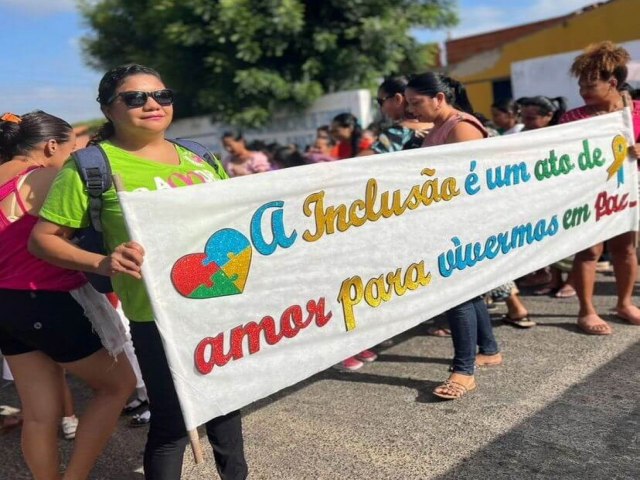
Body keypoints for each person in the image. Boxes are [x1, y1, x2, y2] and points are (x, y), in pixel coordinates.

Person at [29, 64, 248, 480]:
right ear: (108, 109)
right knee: (171, 425)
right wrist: (102, 262)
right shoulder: (90, 167)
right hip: (156, 316)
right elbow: (42, 240)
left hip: (221, 305)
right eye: (135, 98)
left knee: (227, 407)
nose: (152, 104)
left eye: (162, 95)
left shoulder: (199, 156)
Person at [0, 110, 136, 480]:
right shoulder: (49, 178)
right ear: (50, 146)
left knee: (40, 414)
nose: (71, 158)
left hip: (7, 305)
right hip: (49, 298)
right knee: (118, 386)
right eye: (70, 150)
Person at [404, 72, 501, 400]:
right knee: (469, 290)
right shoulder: (439, 128)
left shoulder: (462, 127)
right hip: (449, 222)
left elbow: (467, 182)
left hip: (463, 223)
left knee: (457, 292)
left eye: (417, 103)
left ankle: (464, 370)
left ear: (439, 98)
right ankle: (488, 348)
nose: (413, 110)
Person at [559, 41, 640, 335]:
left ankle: (625, 303)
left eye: (590, 85)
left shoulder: (638, 112)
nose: (583, 92)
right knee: (589, 252)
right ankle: (586, 310)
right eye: (580, 86)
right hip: (588, 197)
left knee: (626, 250)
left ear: (613, 83)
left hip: (627, 194)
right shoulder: (573, 118)